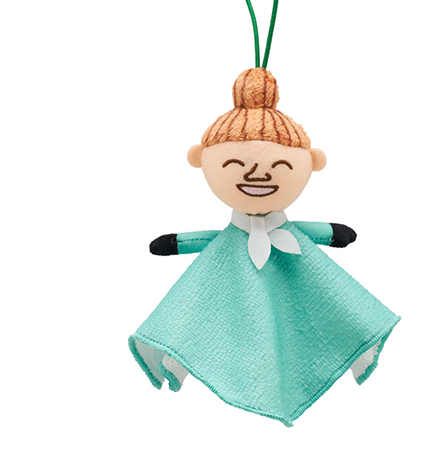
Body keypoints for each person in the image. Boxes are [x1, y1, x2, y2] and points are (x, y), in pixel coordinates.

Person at [129, 68, 400, 426]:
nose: (258, 175)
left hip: (293, 271)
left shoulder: (291, 236)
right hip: (231, 288)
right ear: (200, 158)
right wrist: (174, 243)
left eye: (281, 166)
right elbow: (201, 240)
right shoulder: (229, 243)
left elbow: (323, 234)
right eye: (235, 165)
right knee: (204, 318)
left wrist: (334, 233)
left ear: (312, 163)